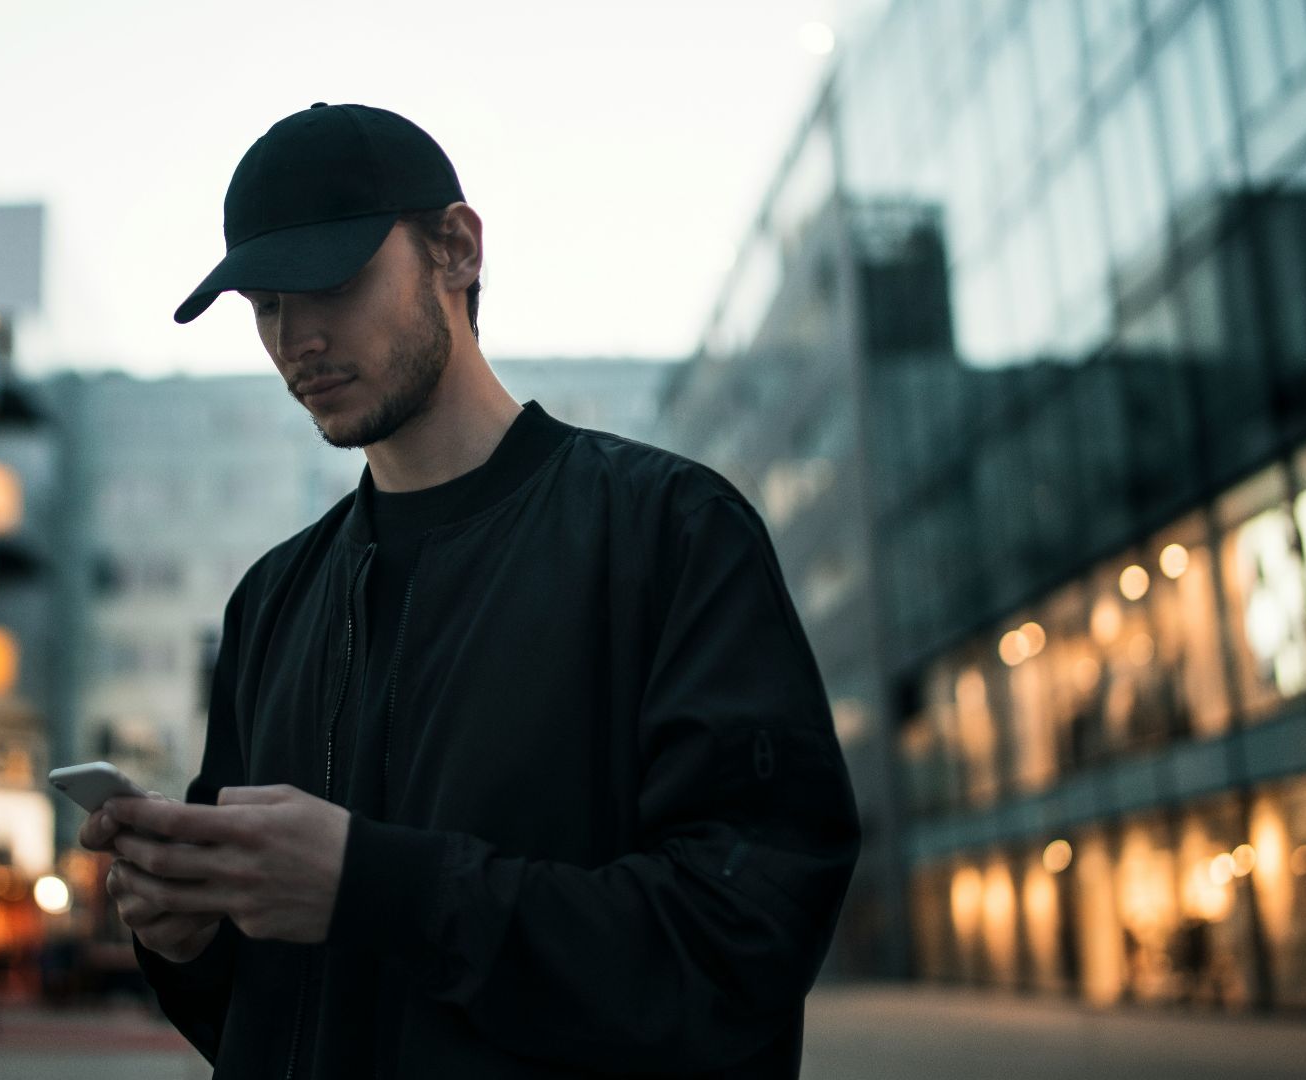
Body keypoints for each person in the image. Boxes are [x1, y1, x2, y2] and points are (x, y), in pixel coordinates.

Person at [77, 102, 860, 1079]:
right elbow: (259, 1013)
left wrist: (378, 888)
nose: (296, 339)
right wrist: (184, 940)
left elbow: (743, 944)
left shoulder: (670, 534)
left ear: (456, 249)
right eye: (265, 303)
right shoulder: (271, 602)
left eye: (331, 279)